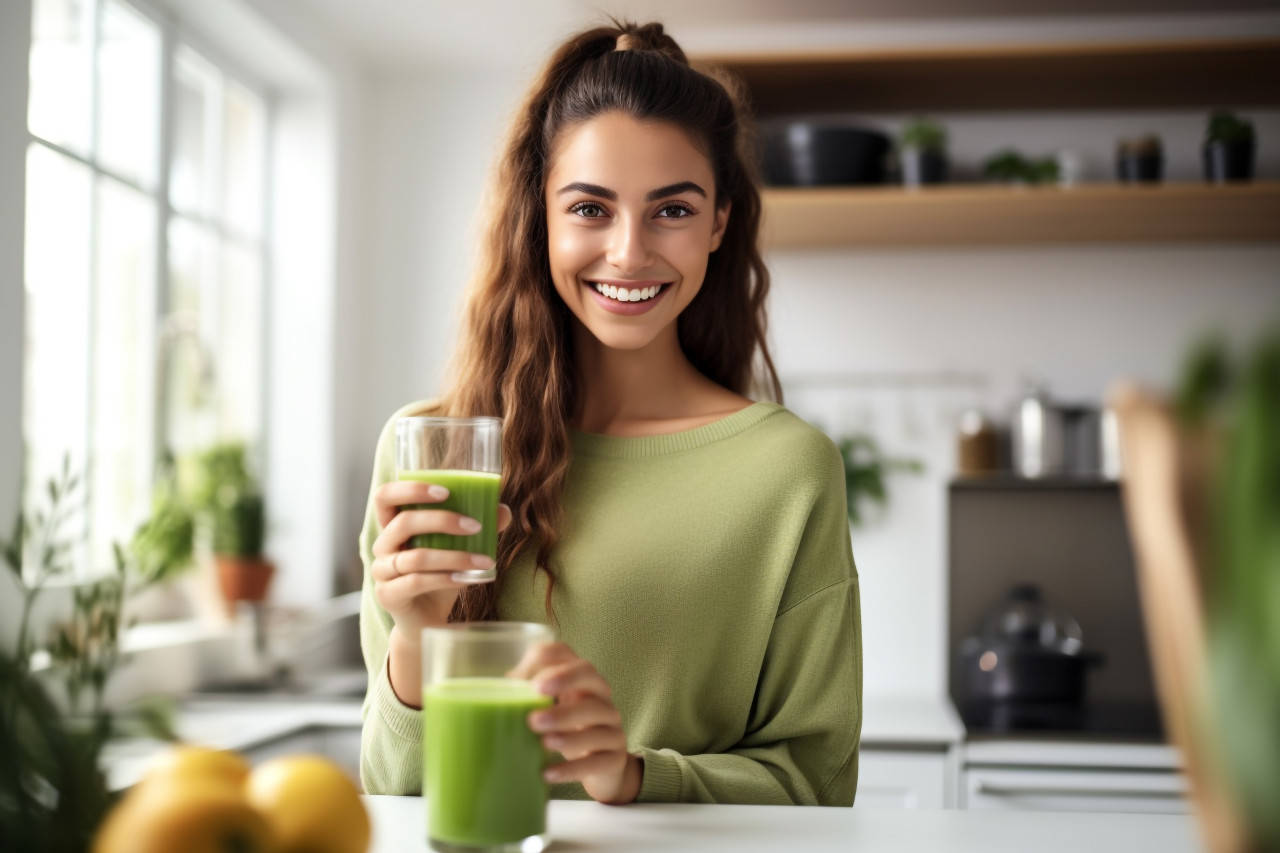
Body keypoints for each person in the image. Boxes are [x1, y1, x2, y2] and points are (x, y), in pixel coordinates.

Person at [358, 19, 862, 806]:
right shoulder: (431, 454)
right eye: (591, 209)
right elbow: (393, 793)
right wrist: (420, 638)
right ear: (542, 215)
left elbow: (814, 781)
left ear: (719, 223)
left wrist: (630, 774)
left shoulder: (789, 471)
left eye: (672, 210)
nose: (629, 252)